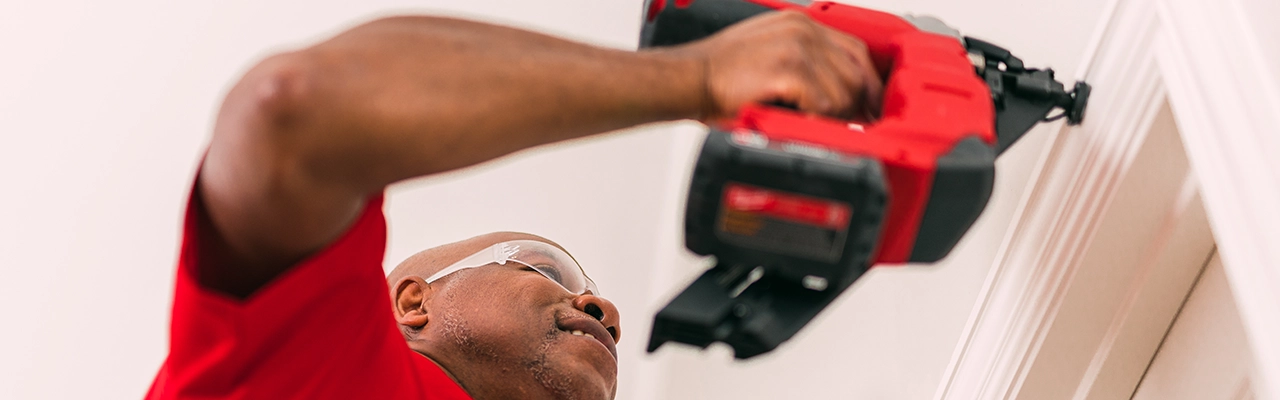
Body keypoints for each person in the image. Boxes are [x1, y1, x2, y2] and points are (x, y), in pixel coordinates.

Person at [145, 9, 883, 400]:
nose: (606, 312)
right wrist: (701, 77)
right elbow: (297, 114)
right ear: (411, 304)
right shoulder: (312, 372)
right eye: (549, 269)